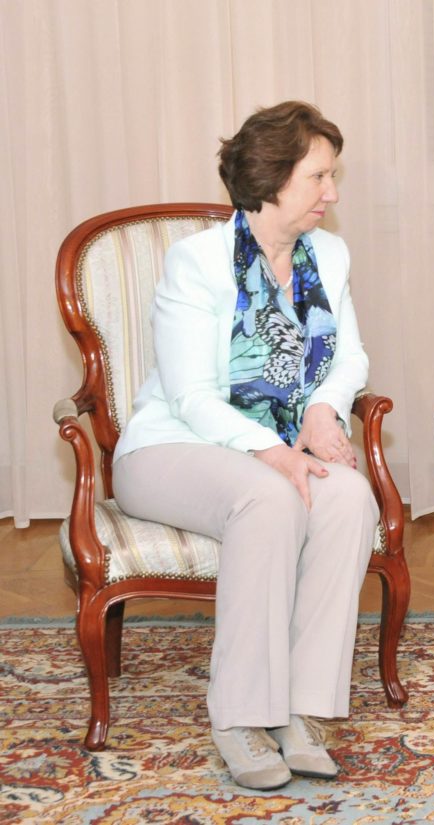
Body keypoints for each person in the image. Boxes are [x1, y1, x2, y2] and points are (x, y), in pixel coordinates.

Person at [112, 101, 377, 790]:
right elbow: (190, 396)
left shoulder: (330, 256)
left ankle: (300, 708)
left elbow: (350, 357)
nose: (332, 193)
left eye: (332, 176)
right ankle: (238, 715)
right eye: (319, 176)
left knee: (350, 496)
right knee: (269, 497)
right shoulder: (198, 262)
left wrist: (322, 410)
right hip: (170, 449)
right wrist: (275, 451)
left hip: (269, 451)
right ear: (272, 177)